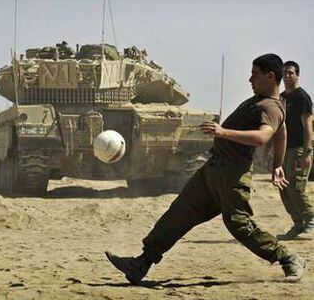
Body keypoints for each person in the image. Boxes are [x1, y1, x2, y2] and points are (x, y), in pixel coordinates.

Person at [105, 54, 306, 284]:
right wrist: (278, 165)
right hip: (212, 171)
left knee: (240, 225)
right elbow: (282, 132)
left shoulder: (269, 106)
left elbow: (263, 136)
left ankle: (288, 258)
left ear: (271, 76)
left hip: (232, 175)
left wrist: (223, 132)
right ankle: (142, 262)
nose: (250, 79)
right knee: (179, 213)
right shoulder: (267, 102)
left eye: (255, 74)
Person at [276, 61, 314, 240]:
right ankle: (298, 224)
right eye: (285, 73)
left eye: (291, 73)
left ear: (297, 75)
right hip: (285, 148)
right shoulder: (282, 97)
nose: (287, 76)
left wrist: (307, 153)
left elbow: (308, 126)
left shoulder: (302, 97)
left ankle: (311, 221)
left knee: (296, 187)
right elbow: (278, 125)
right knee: (283, 186)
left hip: (299, 148)